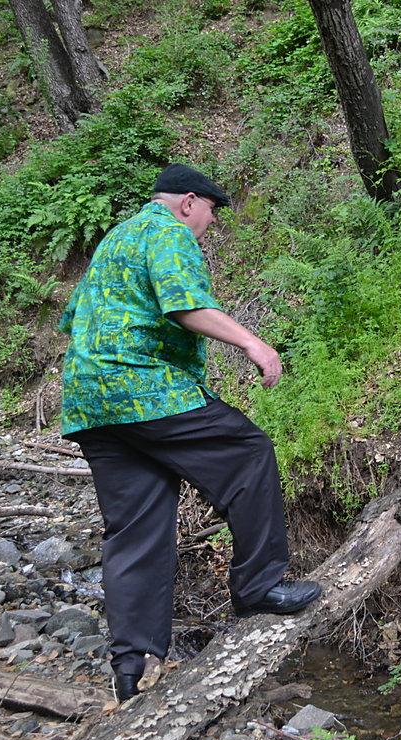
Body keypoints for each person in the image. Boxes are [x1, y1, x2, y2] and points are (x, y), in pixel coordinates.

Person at [58, 163, 321, 704]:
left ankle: (131, 668)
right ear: (188, 203)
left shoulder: (116, 238)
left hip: (90, 403)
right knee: (247, 451)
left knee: (134, 529)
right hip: (144, 390)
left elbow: (73, 320)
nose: (209, 224)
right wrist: (254, 343)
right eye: (210, 212)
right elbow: (186, 305)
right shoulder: (168, 232)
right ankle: (258, 586)